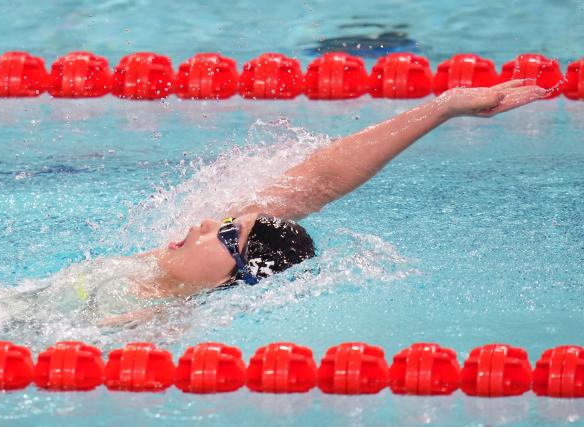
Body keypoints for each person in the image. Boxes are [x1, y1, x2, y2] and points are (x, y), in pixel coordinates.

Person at [135, 79, 547, 301]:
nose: (206, 221)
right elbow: (320, 180)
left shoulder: (155, 323)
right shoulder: (161, 270)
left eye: (226, 233)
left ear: (238, 276)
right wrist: (442, 107)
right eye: (225, 223)